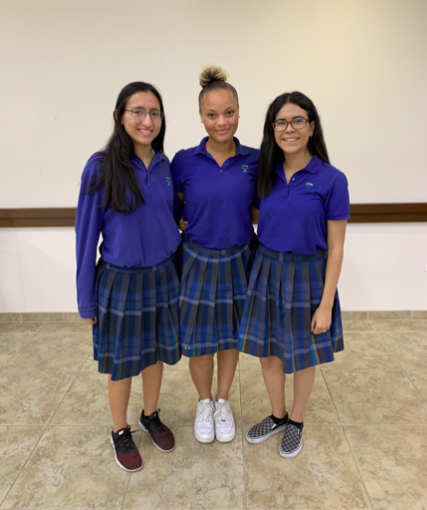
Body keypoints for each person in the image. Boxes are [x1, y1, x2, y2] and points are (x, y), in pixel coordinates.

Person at [76, 82, 181, 472]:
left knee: (155, 355)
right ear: (120, 116)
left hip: (162, 278)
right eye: (138, 111)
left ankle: (149, 414)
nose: (147, 120)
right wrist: (85, 299)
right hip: (120, 281)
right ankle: (120, 430)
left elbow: (168, 218)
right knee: (122, 362)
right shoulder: (101, 167)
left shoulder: (165, 165)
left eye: (154, 113)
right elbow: (86, 237)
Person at [238, 91, 349, 458]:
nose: (289, 129)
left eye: (297, 120)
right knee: (269, 353)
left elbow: (336, 248)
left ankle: (297, 420)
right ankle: (278, 415)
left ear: (312, 126)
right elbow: (252, 216)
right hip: (267, 270)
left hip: (309, 277)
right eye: (281, 122)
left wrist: (326, 303)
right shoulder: (264, 174)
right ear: (272, 129)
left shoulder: (332, 179)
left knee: (301, 354)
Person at [171, 65, 259, 443]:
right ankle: (203, 401)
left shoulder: (256, 159)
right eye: (212, 114)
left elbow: (257, 211)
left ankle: (223, 401)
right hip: (197, 260)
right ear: (201, 117)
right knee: (200, 341)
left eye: (228, 113)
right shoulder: (183, 160)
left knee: (229, 338)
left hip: (240, 259)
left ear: (239, 112)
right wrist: (180, 222)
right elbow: (172, 206)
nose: (221, 122)